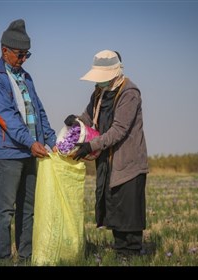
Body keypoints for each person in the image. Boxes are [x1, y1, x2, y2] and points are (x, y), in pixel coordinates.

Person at [0, 19, 57, 263]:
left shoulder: (26, 77)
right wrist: (30, 142)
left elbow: (39, 111)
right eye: (20, 55)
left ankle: (27, 257)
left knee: (28, 209)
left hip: (31, 152)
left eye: (27, 55)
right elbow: (8, 119)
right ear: (5, 51)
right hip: (8, 154)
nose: (24, 59)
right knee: (5, 210)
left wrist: (52, 139)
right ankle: (2, 260)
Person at [65, 50, 150, 257]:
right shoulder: (99, 93)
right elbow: (88, 117)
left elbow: (118, 130)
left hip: (127, 162)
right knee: (114, 207)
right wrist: (75, 121)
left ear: (115, 72)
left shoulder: (129, 93)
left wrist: (90, 146)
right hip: (108, 161)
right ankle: (122, 252)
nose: (99, 82)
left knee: (128, 211)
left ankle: (131, 253)